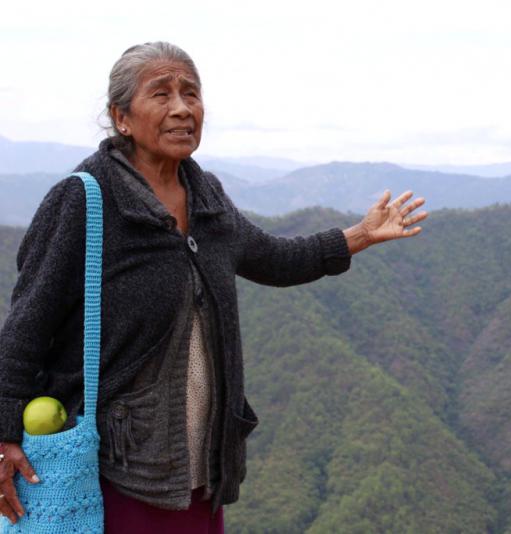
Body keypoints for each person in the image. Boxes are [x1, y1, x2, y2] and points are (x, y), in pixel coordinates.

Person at [0, 41, 427, 532]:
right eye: (161, 94)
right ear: (121, 117)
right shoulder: (84, 202)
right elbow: (26, 325)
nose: (182, 108)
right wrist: (5, 433)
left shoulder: (207, 199)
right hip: (115, 470)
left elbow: (275, 258)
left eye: (191, 93)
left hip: (199, 469)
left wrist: (358, 236)